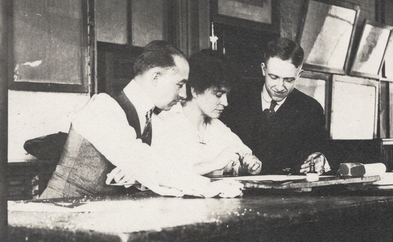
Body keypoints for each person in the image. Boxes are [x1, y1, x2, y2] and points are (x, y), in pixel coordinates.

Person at [39, 41, 242, 199]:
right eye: (179, 85)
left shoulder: (150, 118)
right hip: (58, 216)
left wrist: (139, 176)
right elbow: (146, 163)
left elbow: (151, 167)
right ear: (155, 78)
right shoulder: (102, 108)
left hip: (95, 219)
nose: (183, 94)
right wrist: (209, 187)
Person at [222, 38, 330, 175]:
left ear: (299, 75)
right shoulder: (235, 99)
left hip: (289, 194)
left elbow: (319, 150)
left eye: (289, 80)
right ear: (263, 69)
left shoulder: (311, 109)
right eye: (273, 77)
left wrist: (320, 158)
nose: (280, 87)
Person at [148, 50, 262, 177]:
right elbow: (162, 173)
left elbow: (241, 159)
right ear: (195, 91)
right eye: (218, 94)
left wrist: (249, 166)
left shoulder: (218, 127)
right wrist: (214, 164)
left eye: (226, 94)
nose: (225, 102)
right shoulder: (164, 121)